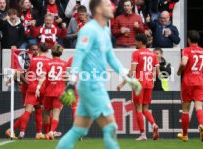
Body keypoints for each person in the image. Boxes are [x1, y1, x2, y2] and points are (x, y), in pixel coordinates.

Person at [56, 0, 141, 148]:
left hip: (94, 85)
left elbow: (111, 57)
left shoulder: (105, 30)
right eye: (108, 5)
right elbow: (79, 55)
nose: (112, 7)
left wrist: (127, 76)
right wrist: (70, 84)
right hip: (91, 85)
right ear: (99, 9)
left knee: (79, 130)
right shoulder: (89, 30)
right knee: (111, 127)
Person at [117, 34, 160, 141]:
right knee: (146, 109)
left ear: (140, 42)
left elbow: (132, 71)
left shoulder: (136, 53)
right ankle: (154, 124)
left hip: (139, 84)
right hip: (149, 83)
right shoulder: (153, 55)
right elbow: (157, 72)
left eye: (136, 42)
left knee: (138, 109)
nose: (135, 43)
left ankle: (143, 134)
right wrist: (151, 78)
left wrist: (122, 84)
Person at [6, 43, 50, 139]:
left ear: (38, 50)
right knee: (29, 110)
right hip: (28, 88)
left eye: (36, 49)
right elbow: (17, 73)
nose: (34, 51)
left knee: (38, 109)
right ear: (29, 51)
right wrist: (27, 83)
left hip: (37, 87)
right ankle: (12, 129)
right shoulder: (26, 60)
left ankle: (39, 132)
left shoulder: (34, 60)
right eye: (32, 50)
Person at [176, 30, 203, 142]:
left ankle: (185, 135)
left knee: (185, 110)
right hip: (200, 82)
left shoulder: (186, 50)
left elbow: (183, 63)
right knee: (199, 107)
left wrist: (179, 72)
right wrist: (201, 77)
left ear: (188, 40)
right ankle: (201, 125)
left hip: (188, 82)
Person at [42, 44, 67, 140]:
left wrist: (39, 86)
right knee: (56, 114)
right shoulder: (65, 64)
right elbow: (67, 78)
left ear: (51, 52)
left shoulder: (47, 63)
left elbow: (43, 77)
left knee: (46, 113)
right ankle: (52, 132)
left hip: (48, 91)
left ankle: (47, 132)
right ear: (61, 53)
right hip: (59, 92)